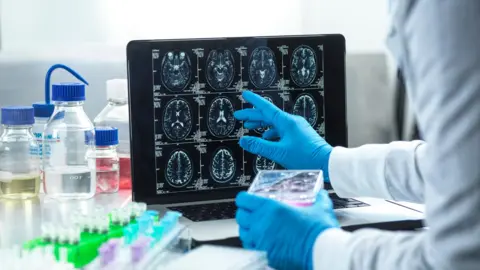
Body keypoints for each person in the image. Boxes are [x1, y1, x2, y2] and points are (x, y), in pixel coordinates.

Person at [233, 1, 480, 270]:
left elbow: (459, 259)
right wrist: (329, 162)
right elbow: (460, 166)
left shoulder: (445, 10)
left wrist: (316, 246)